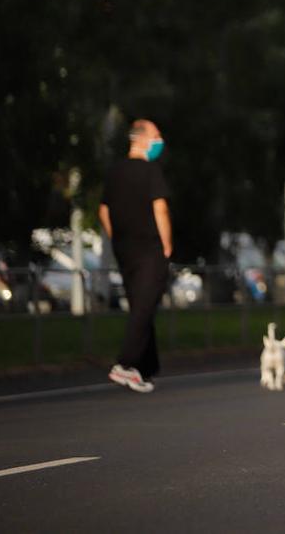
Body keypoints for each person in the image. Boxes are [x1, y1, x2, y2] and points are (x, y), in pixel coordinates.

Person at [100, 119, 172, 394]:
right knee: (144, 307)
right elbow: (160, 208)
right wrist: (166, 244)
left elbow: (104, 211)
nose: (160, 141)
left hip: (124, 249)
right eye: (156, 136)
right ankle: (126, 364)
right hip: (149, 250)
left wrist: (116, 237)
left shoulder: (114, 172)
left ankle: (145, 368)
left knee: (141, 304)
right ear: (141, 139)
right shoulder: (150, 171)